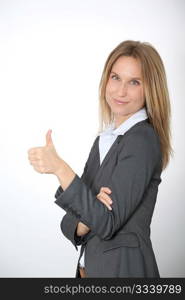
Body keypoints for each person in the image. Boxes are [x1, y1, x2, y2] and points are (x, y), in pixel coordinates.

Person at [28, 40, 173, 278]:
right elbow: (68, 226)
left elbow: (106, 223)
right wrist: (87, 216)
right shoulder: (105, 139)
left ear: (150, 89)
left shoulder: (142, 139)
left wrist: (60, 169)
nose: (120, 91)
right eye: (115, 77)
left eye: (134, 82)